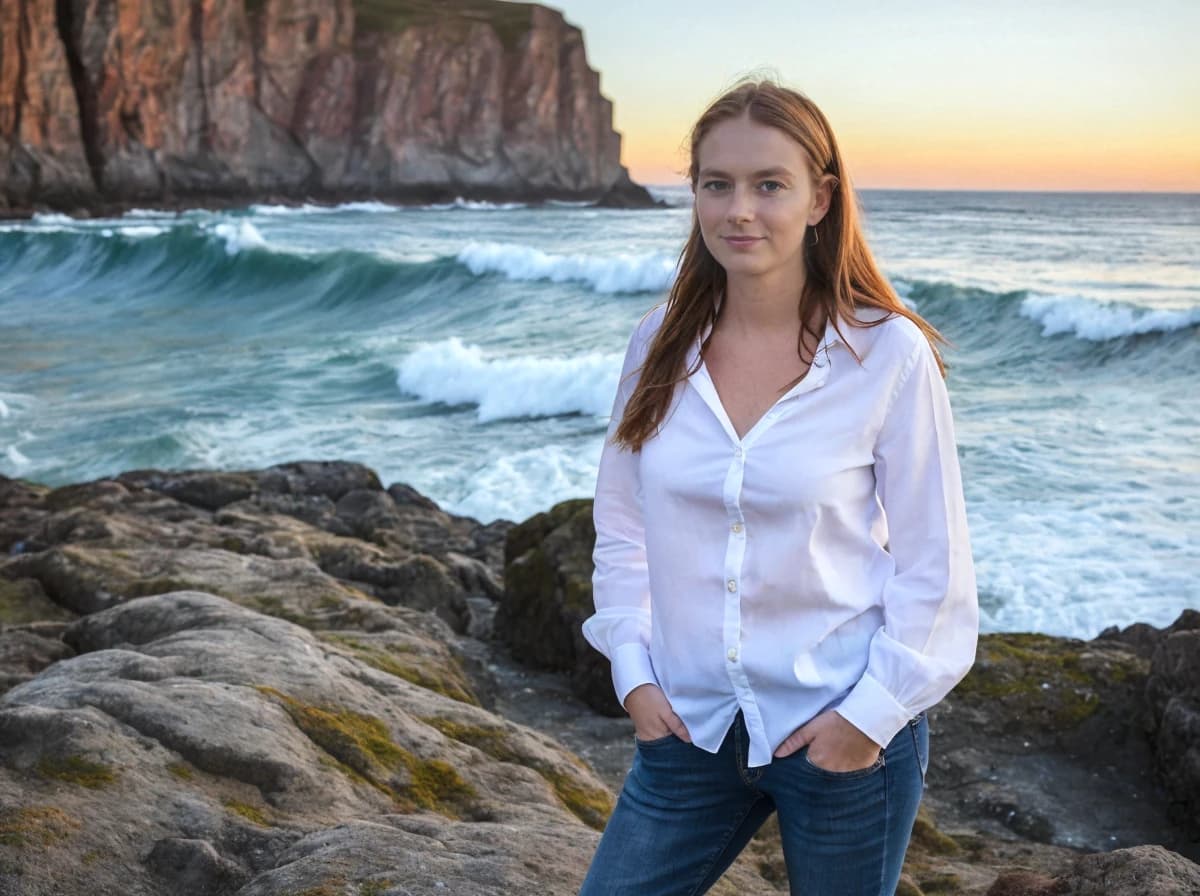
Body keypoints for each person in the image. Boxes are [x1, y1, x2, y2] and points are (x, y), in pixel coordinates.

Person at [577, 80, 979, 896]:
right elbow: (623, 523)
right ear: (693, 192)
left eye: (769, 185)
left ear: (820, 198)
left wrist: (867, 722)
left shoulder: (885, 355)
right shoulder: (658, 342)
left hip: (841, 730)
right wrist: (633, 670)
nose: (739, 210)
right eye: (716, 184)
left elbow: (936, 569)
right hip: (690, 726)